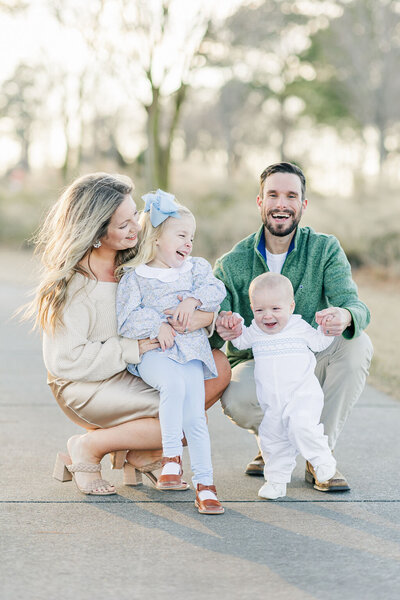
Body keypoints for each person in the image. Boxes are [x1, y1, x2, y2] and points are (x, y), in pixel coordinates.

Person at [24, 173, 231, 497]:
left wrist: (202, 318)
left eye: (134, 215)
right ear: (95, 233)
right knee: (185, 422)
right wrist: (131, 347)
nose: (136, 226)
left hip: (133, 366)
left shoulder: (137, 263)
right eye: (123, 224)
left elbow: (180, 298)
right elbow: (65, 361)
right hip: (84, 382)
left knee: (216, 367)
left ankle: (142, 453)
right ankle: (88, 447)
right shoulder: (76, 286)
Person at [211, 161, 373, 492]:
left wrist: (344, 316)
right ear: (260, 202)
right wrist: (221, 325)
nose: (281, 204)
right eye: (273, 195)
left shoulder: (324, 248)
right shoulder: (232, 263)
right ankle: (272, 446)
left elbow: (356, 305)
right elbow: (214, 325)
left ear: (303, 204)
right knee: (237, 397)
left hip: (307, 355)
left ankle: (319, 455)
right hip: (260, 364)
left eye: (291, 196)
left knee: (358, 344)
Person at [116, 190, 225, 514]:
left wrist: (193, 301)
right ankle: (172, 458)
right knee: (173, 386)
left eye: (191, 237)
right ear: (157, 238)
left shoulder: (195, 270)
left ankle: (205, 484)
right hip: (155, 353)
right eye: (181, 235)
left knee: (196, 417)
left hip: (190, 351)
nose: (189, 243)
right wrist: (157, 325)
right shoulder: (135, 276)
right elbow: (125, 317)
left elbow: (217, 289)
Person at [223, 272, 337, 499]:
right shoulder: (255, 331)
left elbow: (319, 342)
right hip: (272, 400)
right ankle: (276, 481)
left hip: (302, 394)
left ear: (290, 306)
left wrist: (326, 328)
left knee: (301, 426)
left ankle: (322, 459)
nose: (267, 316)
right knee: (272, 440)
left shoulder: (298, 326)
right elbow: (240, 340)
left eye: (275, 309)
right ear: (252, 308)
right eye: (259, 310)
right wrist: (234, 326)